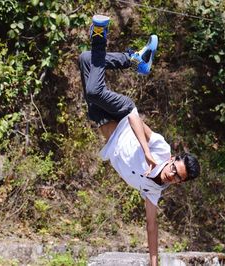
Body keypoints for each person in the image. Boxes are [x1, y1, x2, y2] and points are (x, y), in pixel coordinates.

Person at [78, 15, 200, 266]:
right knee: (93, 90)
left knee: (86, 59)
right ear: (173, 160)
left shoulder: (154, 190)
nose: (171, 176)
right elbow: (136, 118)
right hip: (124, 112)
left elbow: (151, 225)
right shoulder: (161, 149)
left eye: (177, 178)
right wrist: (146, 152)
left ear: (179, 183)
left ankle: (134, 59)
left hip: (101, 120)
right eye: (174, 169)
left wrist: (153, 263)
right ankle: (99, 32)